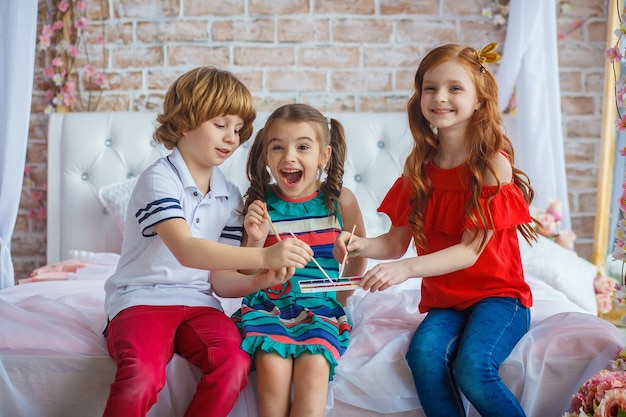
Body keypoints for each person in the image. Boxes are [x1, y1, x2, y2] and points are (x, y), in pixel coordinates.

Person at [334, 43, 538, 417]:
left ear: (479, 100)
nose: (439, 97)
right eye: (430, 88)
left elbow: (469, 251)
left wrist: (407, 269)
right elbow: (396, 242)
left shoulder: (492, 165)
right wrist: (360, 244)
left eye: (454, 88)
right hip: (447, 301)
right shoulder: (420, 168)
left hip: (499, 297)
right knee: (423, 356)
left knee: (472, 368)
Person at [102, 67, 313, 417]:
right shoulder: (159, 179)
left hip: (199, 303)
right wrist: (265, 256)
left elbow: (220, 278)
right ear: (185, 121)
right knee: (142, 375)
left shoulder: (230, 196)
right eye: (221, 124)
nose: (232, 137)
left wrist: (259, 279)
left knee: (235, 363)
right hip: (141, 300)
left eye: (238, 129)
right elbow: (187, 250)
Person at [229, 103, 367, 417]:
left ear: (324, 155)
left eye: (302, 147)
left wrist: (341, 290)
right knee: (273, 367)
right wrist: (253, 238)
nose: (289, 156)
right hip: (269, 305)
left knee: (316, 364)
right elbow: (246, 271)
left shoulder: (340, 201)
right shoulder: (260, 205)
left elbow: (358, 262)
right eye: (277, 147)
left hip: (321, 306)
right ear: (266, 156)